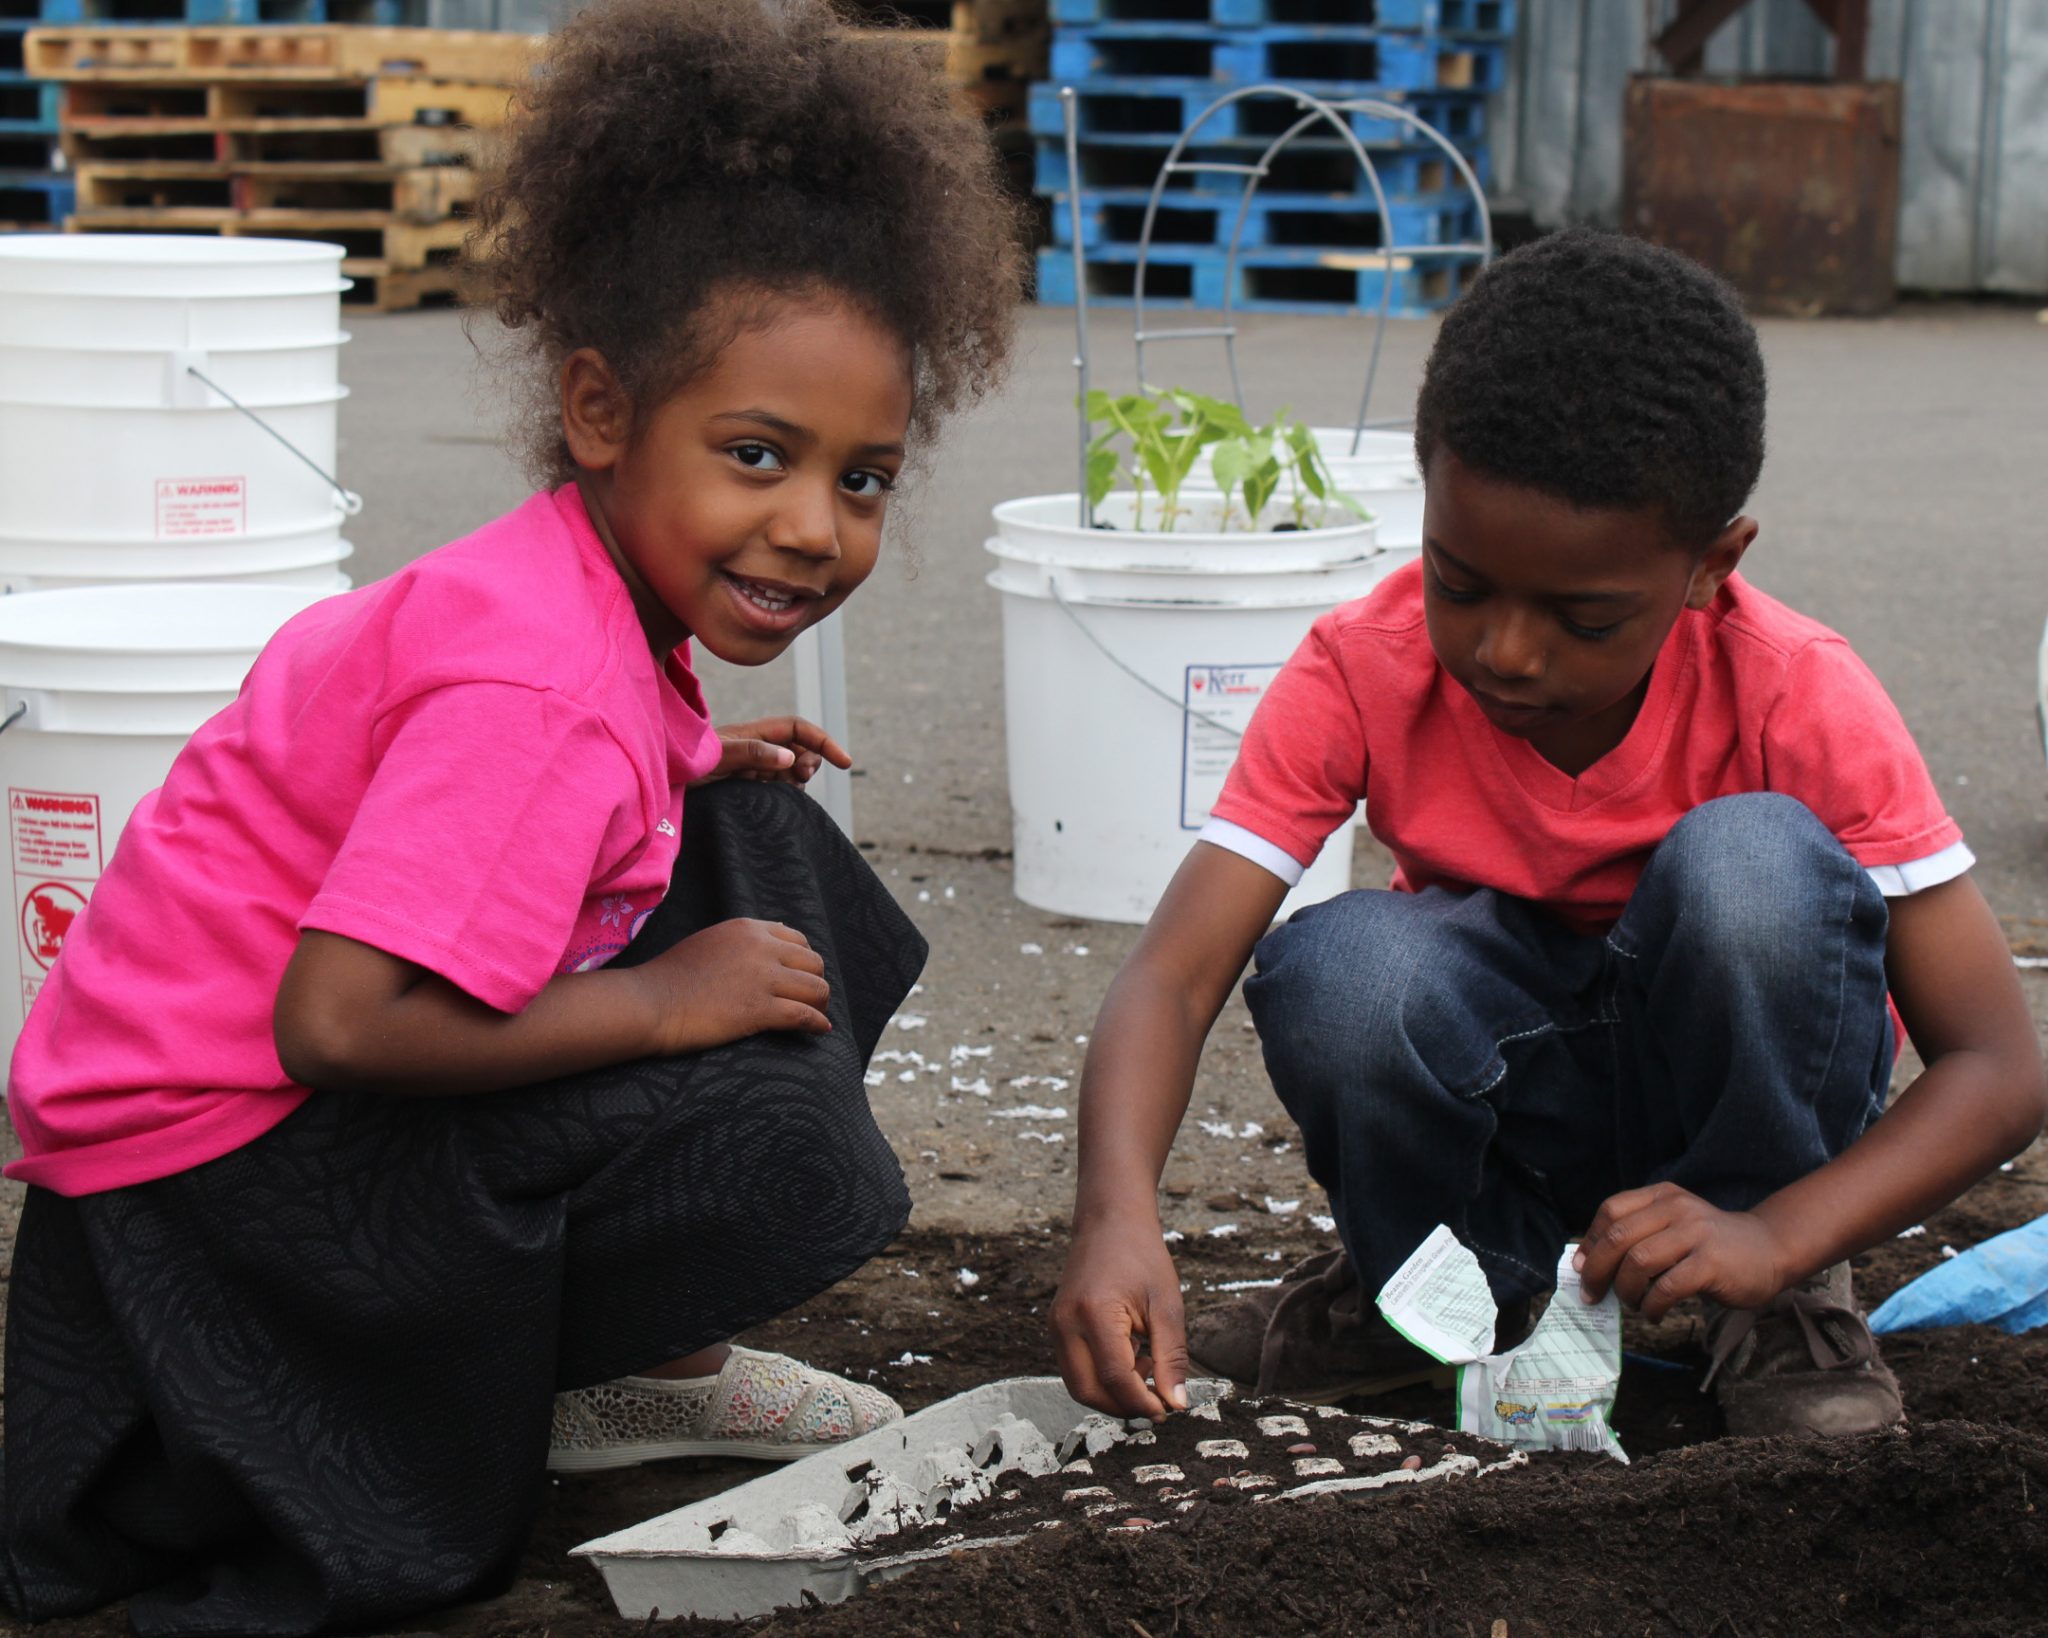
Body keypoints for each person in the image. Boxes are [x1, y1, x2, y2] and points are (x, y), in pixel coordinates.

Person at [0, 1, 1022, 1630]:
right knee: (779, 1128)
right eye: (755, 453)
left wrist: (687, 759)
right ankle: (514, 1374)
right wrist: (656, 999)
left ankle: (622, 1364)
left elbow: (498, 764)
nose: (812, 525)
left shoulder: (567, 612)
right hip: (201, 1187)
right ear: (603, 411)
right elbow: (334, 1018)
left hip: (209, 1113)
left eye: (863, 476)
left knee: (763, 845)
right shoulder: (540, 697)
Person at [1049, 228, 2045, 1442]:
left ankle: (1773, 1305)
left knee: (1750, 871)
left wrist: (1776, 1231)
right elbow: (1173, 972)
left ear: (1706, 564)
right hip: (1514, 1108)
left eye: (1581, 617)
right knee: (1345, 967)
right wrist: (1112, 1217)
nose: (1504, 652)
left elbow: (1997, 1070)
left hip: (1735, 1137)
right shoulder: (1362, 669)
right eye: (1456, 584)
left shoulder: (1793, 694)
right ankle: (1432, 1288)